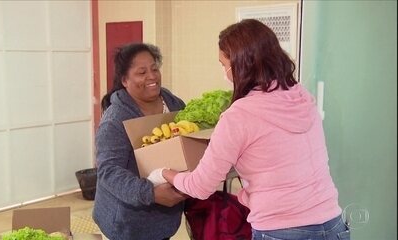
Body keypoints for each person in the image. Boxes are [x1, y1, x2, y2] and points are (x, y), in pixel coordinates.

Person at [160, 19, 350, 240]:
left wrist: (165, 173)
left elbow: (200, 187)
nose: (225, 72)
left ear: (239, 65)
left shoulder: (239, 115)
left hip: (282, 230)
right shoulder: (301, 97)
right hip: (333, 224)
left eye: (224, 64)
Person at [93, 43, 187, 240]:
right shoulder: (115, 120)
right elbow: (108, 172)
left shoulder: (173, 103)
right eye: (142, 72)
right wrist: (151, 194)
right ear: (125, 80)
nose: (152, 76)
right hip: (127, 226)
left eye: (154, 68)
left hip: (165, 219)